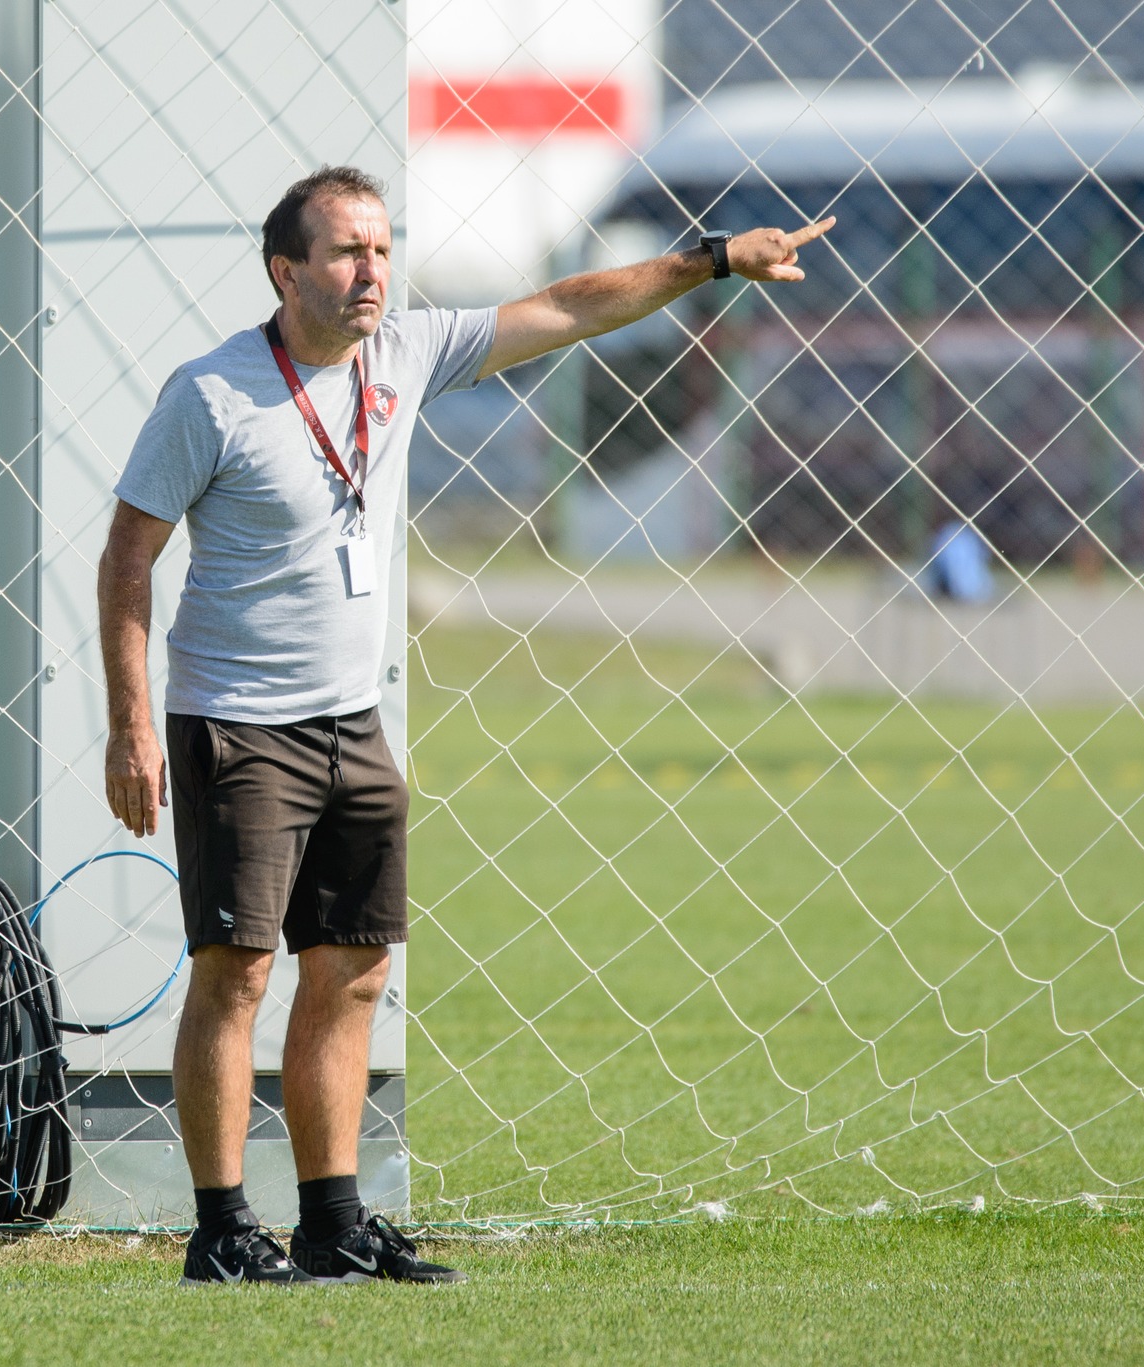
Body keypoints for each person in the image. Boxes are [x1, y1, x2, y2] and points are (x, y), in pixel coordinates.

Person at [98, 165, 833, 1286]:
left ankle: (332, 1219)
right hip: (238, 728)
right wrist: (131, 728)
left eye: (382, 250)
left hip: (355, 726)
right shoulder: (209, 395)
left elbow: (576, 305)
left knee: (349, 971)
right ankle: (219, 1228)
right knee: (235, 974)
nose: (370, 272)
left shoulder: (403, 353)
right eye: (346, 252)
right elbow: (126, 561)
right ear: (283, 269)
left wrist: (714, 257)